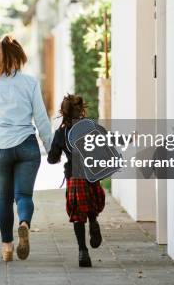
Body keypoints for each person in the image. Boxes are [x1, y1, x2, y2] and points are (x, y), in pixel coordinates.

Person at [0, 35, 52, 262]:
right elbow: (41, 118)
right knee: (24, 195)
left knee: (5, 197)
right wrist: (50, 148)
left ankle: (7, 247)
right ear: (20, 56)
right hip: (27, 145)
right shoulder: (30, 83)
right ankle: (24, 223)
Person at [47, 94, 105, 268]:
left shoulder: (61, 132)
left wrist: (56, 151)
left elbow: (52, 158)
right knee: (91, 203)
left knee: (77, 213)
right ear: (81, 111)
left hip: (74, 175)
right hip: (91, 172)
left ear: (63, 112)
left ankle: (82, 252)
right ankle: (93, 221)